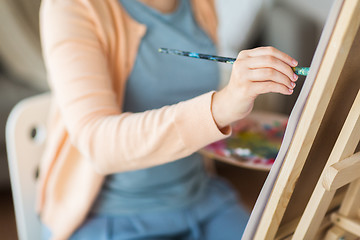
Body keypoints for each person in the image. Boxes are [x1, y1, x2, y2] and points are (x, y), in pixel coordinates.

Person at [38, 0, 298, 239]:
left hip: (201, 197)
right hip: (109, 218)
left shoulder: (200, 4)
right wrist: (221, 106)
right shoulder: (72, 6)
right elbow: (97, 144)